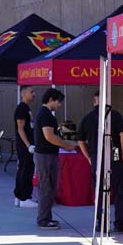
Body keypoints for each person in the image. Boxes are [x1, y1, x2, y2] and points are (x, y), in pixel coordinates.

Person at [78, 92, 123, 235]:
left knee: (99, 191)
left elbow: (80, 141)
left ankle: (101, 222)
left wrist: (89, 157)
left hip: (97, 155)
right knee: (120, 190)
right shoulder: (114, 115)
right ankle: (120, 223)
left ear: (94, 101)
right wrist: (122, 153)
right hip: (114, 152)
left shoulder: (87, 118)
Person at [33, 88, 77, 230]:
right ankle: (43, 220)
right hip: (45, 156)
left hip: (48, 155)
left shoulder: (46, 114)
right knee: (47, 187)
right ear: (51, 99)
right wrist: (68, 145)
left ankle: (46, 217)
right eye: (58, 102)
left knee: (50, 187)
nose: (60, 105)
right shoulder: (46, 115)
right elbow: (50, 137)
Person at [13, 85, 37, 208]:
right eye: (31, 92)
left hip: (27, 144)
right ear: (23, 93)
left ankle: (19, 196)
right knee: (26, 170)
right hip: (24, 145)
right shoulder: (21, 109)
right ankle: (24, 198)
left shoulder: (26, 108)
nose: (34, 94)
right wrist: (28, 145)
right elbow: (20, 129)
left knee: (24, 169)